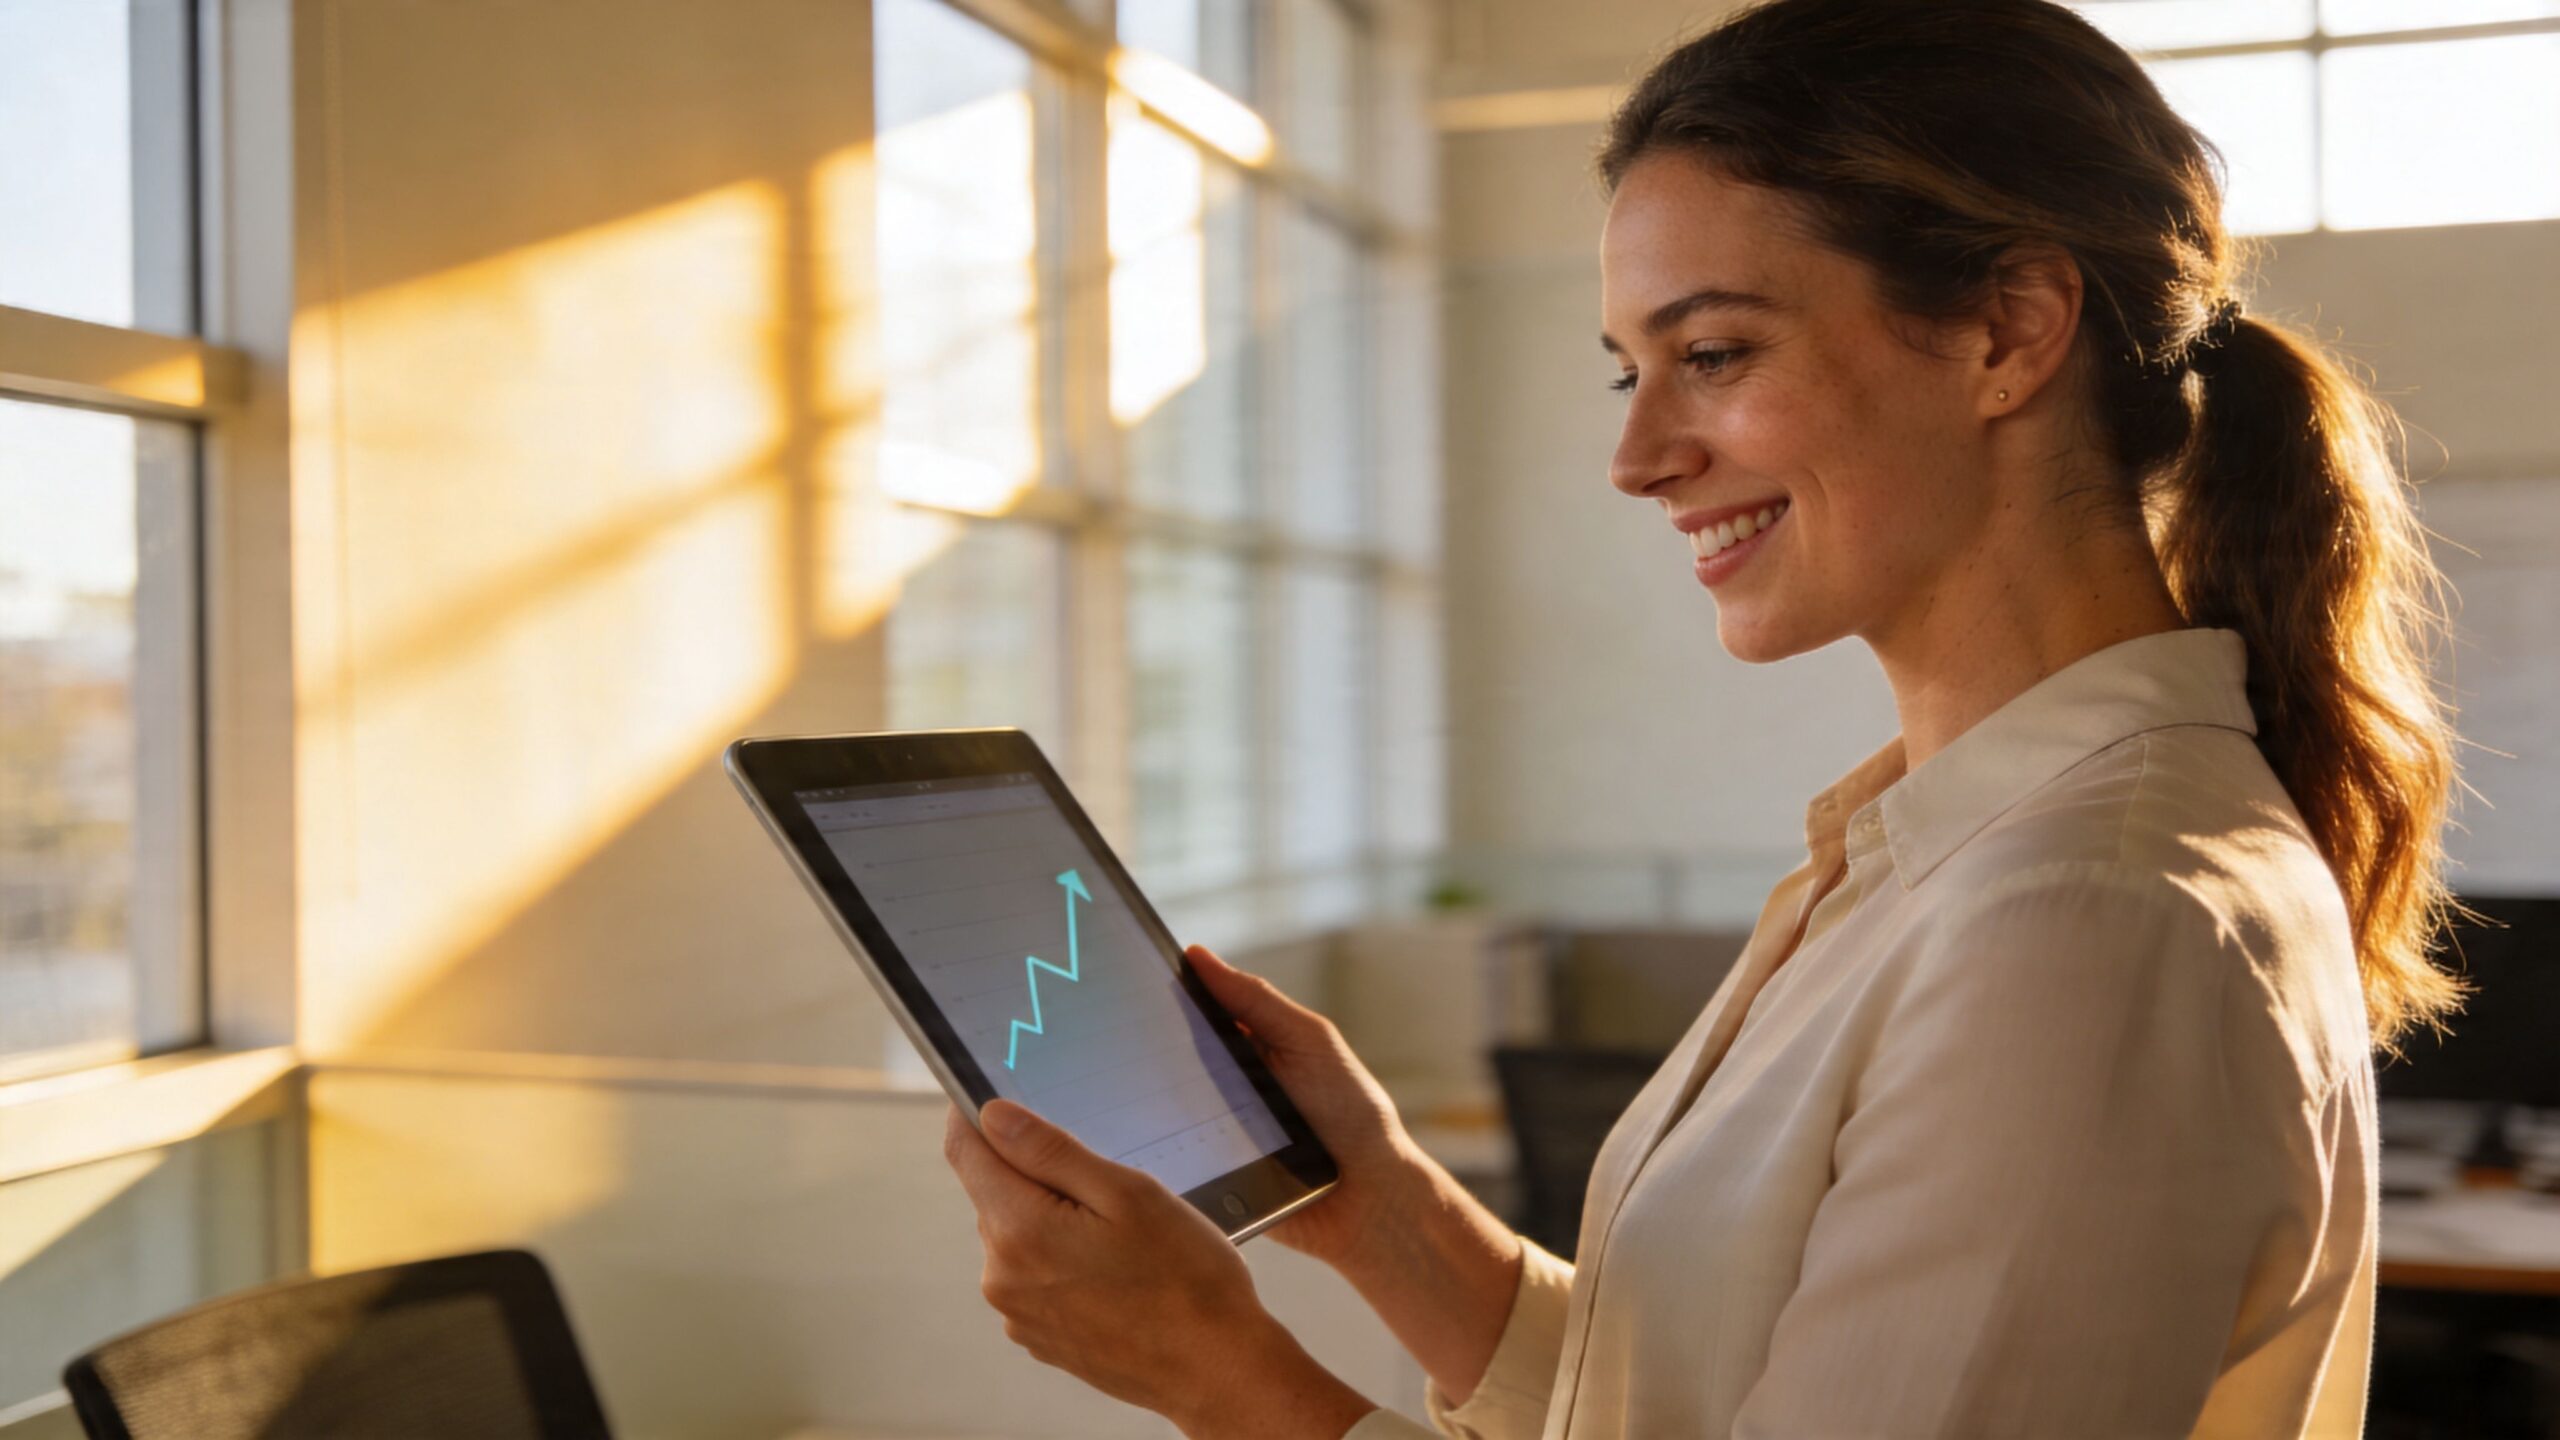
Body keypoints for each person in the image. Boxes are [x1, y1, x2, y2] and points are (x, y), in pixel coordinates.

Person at [938, 0, 2465, 1434]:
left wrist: (1232, 1381)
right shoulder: (1932, 852)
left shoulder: (2082, 913)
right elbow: (1691, 1391)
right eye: (1629, 370)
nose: (1639, 455)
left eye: (1715, 355)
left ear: (2008, 330)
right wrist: (1387, 1214)